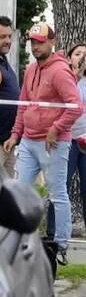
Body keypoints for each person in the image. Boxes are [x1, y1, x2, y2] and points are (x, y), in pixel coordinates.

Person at [2, 23, 81, 264]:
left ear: (52, 42)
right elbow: (23, 105)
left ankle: (62, 245)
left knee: (58, 194)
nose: (35, 46)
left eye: (40, 42)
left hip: (53, 143)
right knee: (20, 192)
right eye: (33, 42)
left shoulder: (60, 71)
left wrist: (56, 129)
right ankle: (22, 241)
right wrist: (15, 135)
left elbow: (76, 106)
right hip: (28, 140)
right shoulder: (30, 70)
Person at [57, 44, 86, 232]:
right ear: (69, 58)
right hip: (69, 139)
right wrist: (74, 73)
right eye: (77, 54)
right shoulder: (66, 80)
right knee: (62, 185)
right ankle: (56, 232)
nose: (82, 57)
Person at [0, 16, 18, 177]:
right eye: (2, 37)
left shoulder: (4, 60)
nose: (7, 41)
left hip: (8, 141)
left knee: (9, 194)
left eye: (9, 36)